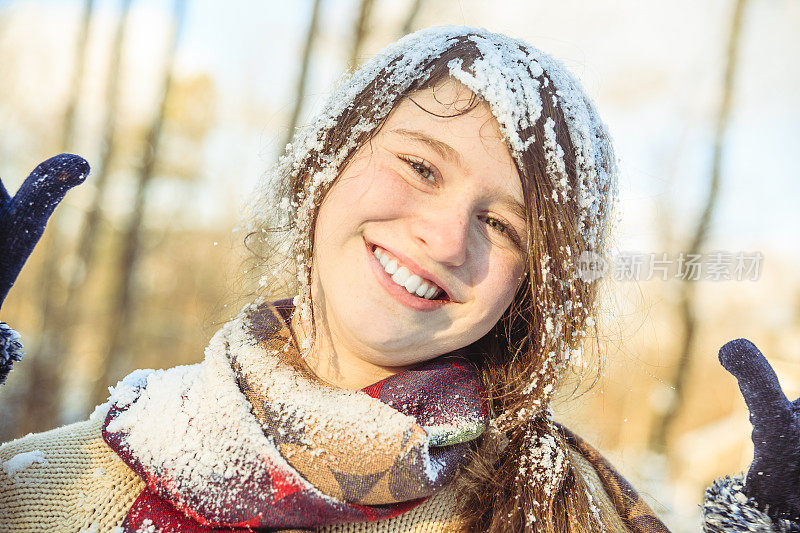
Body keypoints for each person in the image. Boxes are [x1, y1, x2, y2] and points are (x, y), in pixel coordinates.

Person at [0, 26, 797, 532]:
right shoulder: (57, 485)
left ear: (532, 289)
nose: (446, 236)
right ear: (327, 165)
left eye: (503, 225)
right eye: (419, 165)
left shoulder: (559, 510)